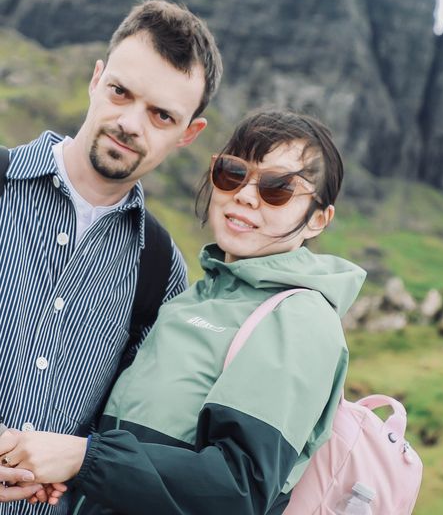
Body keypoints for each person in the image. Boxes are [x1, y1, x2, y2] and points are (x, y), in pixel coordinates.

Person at [0, 109, 366, 515]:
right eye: (232, 173)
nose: (245, 194)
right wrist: (63, 467)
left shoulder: (299, 318)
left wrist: (85, 459)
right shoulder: (193, 299)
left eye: (277, 188)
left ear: (318, 219)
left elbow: (239, 488)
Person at [0, 0, 223, 512]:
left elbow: (138, 435)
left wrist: (82, 459)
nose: (130, 123)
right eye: (121, 92)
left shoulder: (161, 270)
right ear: (96, 79)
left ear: (188, 133)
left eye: (161, 115)